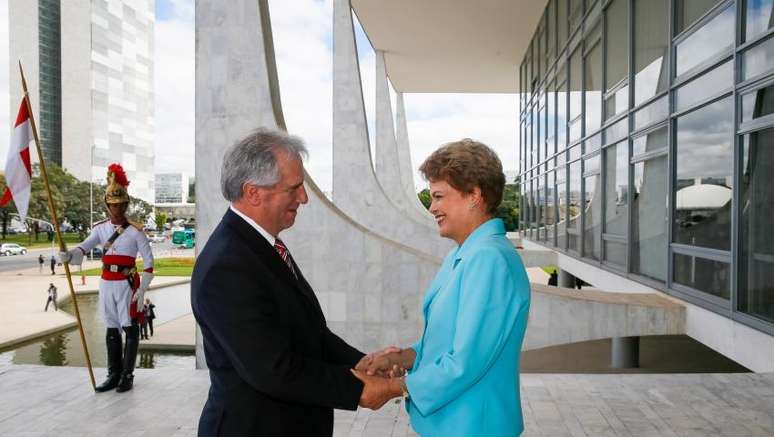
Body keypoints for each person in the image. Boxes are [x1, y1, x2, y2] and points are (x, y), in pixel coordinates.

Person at [191, 129, 394, 436]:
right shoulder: (227, 265)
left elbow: (311, 334)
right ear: (253, 192)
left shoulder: (261, 246)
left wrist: (362, 362)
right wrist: (358, 389)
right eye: (294, 188)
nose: (304, 198)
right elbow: (271, 369)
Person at [355, 139, 532, 436]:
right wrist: (400, 358)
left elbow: (465, 361)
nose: (432, 206)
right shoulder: (464, 254)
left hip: (475, 426)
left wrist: (390, 387)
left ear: (474, 195)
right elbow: (445, 342)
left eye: (439, 196)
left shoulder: (489, 259)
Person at [59, 163, 154, 393]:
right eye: (112, 205)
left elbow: (149, 264)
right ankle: (113, 373)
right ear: (106, 205)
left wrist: (141, 291)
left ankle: (127, 375)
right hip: (106, 283)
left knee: (130, 328)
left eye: (121, 205)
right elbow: (84, 248)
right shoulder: (100, 229)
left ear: (126, 204)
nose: (117, 210)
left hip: (126, 284)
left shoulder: (135, 231)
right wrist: (69, 255)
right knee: (112, 329)